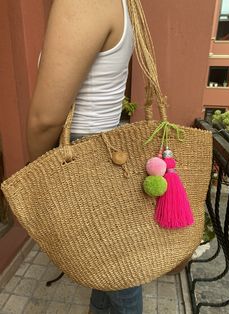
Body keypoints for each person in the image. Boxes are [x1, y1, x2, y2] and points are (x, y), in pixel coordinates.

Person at [27, 0, 143, 313]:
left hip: (80, 153)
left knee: (120, 273)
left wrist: (35, 175)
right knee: (110, 267)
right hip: (105, 147)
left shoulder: (82, 2)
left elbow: (45, 120)